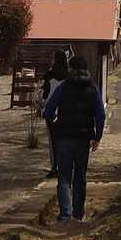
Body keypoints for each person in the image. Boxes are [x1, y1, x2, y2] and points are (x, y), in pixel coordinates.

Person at [42, 54, 106, 224]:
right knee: (80, 176)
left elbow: (48, 111)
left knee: (64, 176)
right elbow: (100, 115)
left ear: (70, 69)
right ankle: (78, 213)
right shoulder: (93, 89)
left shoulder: (63, 88)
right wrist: (97, 136)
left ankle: (65, 214)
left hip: (64, 137)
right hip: (84, 138)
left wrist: (55, 123)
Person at [41, 50, 69, 177]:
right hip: (65, 111)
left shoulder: (49, 75)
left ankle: (55, 167)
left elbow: (44, 95)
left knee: (53, 141)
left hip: (51, 111)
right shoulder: (69, 75)